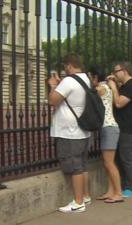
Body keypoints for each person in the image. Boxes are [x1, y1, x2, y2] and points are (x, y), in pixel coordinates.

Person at [48, 53, 91, 213]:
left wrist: (53, 85)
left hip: (69, 131)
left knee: (75, 167)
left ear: (69, 65)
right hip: (83, 129)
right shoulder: (85, 79)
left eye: (65, 66)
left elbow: (53, 101)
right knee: (82, 164)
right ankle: (85, 196)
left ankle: (78, 202)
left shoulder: (68, 81)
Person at [107, 61, 132, 198]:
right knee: (122, 158)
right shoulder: (125, 86)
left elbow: (119, 103)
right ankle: (125, 185)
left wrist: (113, 87)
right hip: (123, 127)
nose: (114, 74)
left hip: (129, 128)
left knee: (128, 158)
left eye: (116, 71)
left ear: (124, 71)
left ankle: (131, 187)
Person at [89, 66, 124, 203]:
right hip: (109, 127)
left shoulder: (101, 88)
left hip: (108, 127)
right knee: (109, 163)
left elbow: (89, 94)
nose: (90, 80)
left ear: (96, 77)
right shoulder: (107, 87)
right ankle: (111, 191)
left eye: (90, 77)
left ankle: (118, 193)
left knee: (109, 163)